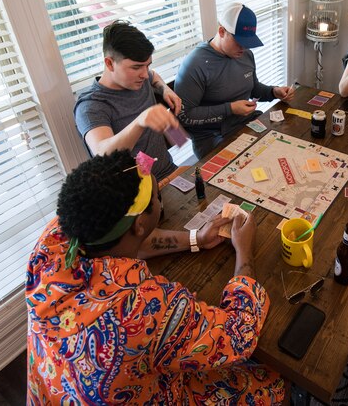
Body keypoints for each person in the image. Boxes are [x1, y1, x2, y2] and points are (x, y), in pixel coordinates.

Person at [26, 150, 285, 404]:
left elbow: (132, 242)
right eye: (157, 197)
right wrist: (245, 251)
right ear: (140, 224)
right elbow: (239, 336)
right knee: (272, 380)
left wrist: (196, 238)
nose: (160, 199)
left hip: (56, 391)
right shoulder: (146, 308)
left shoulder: (57, 237)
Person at [175, 3, 295, 158]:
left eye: (248, 43)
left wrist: (274, 91)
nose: (244, 48)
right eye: (239, 42)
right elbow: (184, 116)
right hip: (212, 136)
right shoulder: (195, 64)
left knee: (285, 147)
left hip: (244, 123)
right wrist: (230, 109)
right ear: (222, 31)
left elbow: (253, 88)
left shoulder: (245, 54)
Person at [74, 20, 182, 182]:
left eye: (147, 65)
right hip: (137, 195)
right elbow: (103, 154)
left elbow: (153, 76)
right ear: (109, 63)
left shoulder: (140, 78)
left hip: (170, 173)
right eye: (136, 67)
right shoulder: (91, 106)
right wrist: (139, 122)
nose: (144, 74)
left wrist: (163, 88)